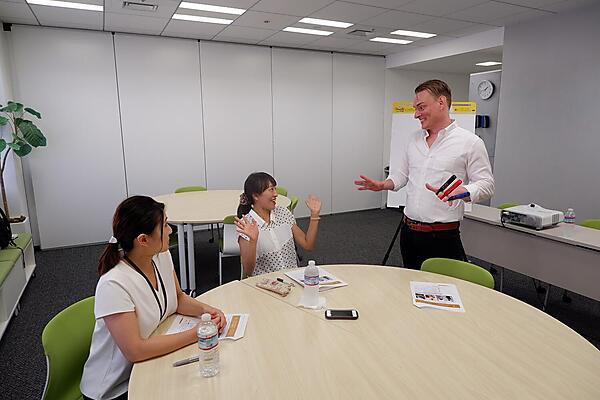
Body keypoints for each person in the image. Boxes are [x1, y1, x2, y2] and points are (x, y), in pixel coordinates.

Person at [80, 196, 226, 400]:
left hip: (151, 363)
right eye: (165, 225)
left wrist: (208, 311)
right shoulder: (114, 284)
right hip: (115, 389)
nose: (170, 231)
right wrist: (196, 334)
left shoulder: (160, 255)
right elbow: (135, 351)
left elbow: (178, 298)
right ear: (143, 240)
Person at [355, 79, 494, 269]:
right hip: (408, 232)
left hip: (442, 236)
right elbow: (401, 175)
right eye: (415, 108)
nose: (416, 114)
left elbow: (487, 185)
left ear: (441, 102)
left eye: (421, 107)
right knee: (411, 283)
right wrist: (384, 184)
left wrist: (463, 191)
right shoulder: (414, 139)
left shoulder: (470, 142)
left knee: (442, 286)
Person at [234, 172, 321, 277]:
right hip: (266, 283)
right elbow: (248, 271)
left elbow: (308, 245)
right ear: (256, 196)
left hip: (293, 279)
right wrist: (253, 241)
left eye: (275, 189)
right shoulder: (246, 224)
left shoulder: (283, 213)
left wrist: (314, 215)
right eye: (271, 189)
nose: (276, 194)